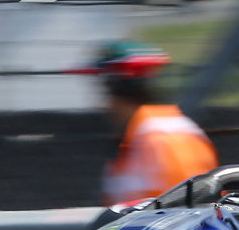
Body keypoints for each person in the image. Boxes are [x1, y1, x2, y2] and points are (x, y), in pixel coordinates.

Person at [72, 42, 218, 204]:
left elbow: (186, 209)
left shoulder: (160, 140)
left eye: (104, 93)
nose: (101, 105)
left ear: (114, 92)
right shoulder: (144, 136)